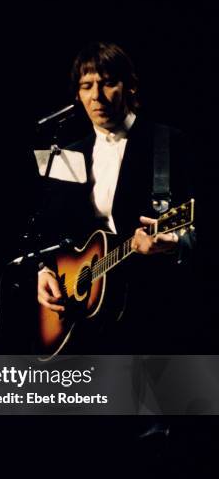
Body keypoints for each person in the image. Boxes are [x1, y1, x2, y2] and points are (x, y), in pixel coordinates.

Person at [36, 40, 195, 354]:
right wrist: (44, 270)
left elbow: (201, 223)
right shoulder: (69, 154)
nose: (97, 96)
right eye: (86, 86)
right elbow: (50, 227)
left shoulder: (167, 143)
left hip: (151, 311)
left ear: (130, 87)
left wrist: (174, 243)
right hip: (83, 315)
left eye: (108, 83)